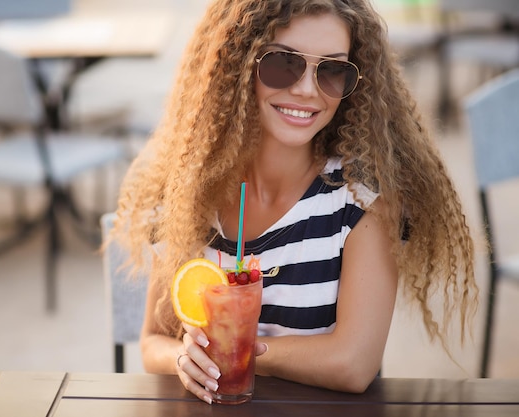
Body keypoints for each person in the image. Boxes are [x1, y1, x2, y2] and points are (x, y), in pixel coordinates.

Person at [109, 0, 479, 404]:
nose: (306, 89)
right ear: (238, 65)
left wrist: (238, 353)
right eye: (283, 63)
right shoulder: (186, 192)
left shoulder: (362, 202)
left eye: (331, 70)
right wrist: (183, 357)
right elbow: (154, 342)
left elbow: (354, 363)